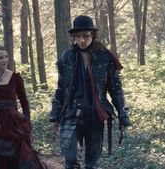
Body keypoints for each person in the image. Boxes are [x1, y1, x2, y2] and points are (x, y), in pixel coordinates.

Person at [50, 15, 132, 169]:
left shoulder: (105, 57)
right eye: (78, 36)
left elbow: (115, 89)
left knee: (92, 162)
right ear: (73, 37)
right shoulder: (66, 57)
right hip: (72, 113)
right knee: (71, 158)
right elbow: (61, 88)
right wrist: (55, 116)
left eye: (86, 36)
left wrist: (123, 115)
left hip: (96, 114)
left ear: (92, 35)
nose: (82, 40)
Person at [0, 44, 42, 169]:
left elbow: (25, 105)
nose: (4, 60)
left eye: (6, 57)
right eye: (0, 58)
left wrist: (27, 126)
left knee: (15, 162)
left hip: (13, 127)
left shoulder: (15, 78)